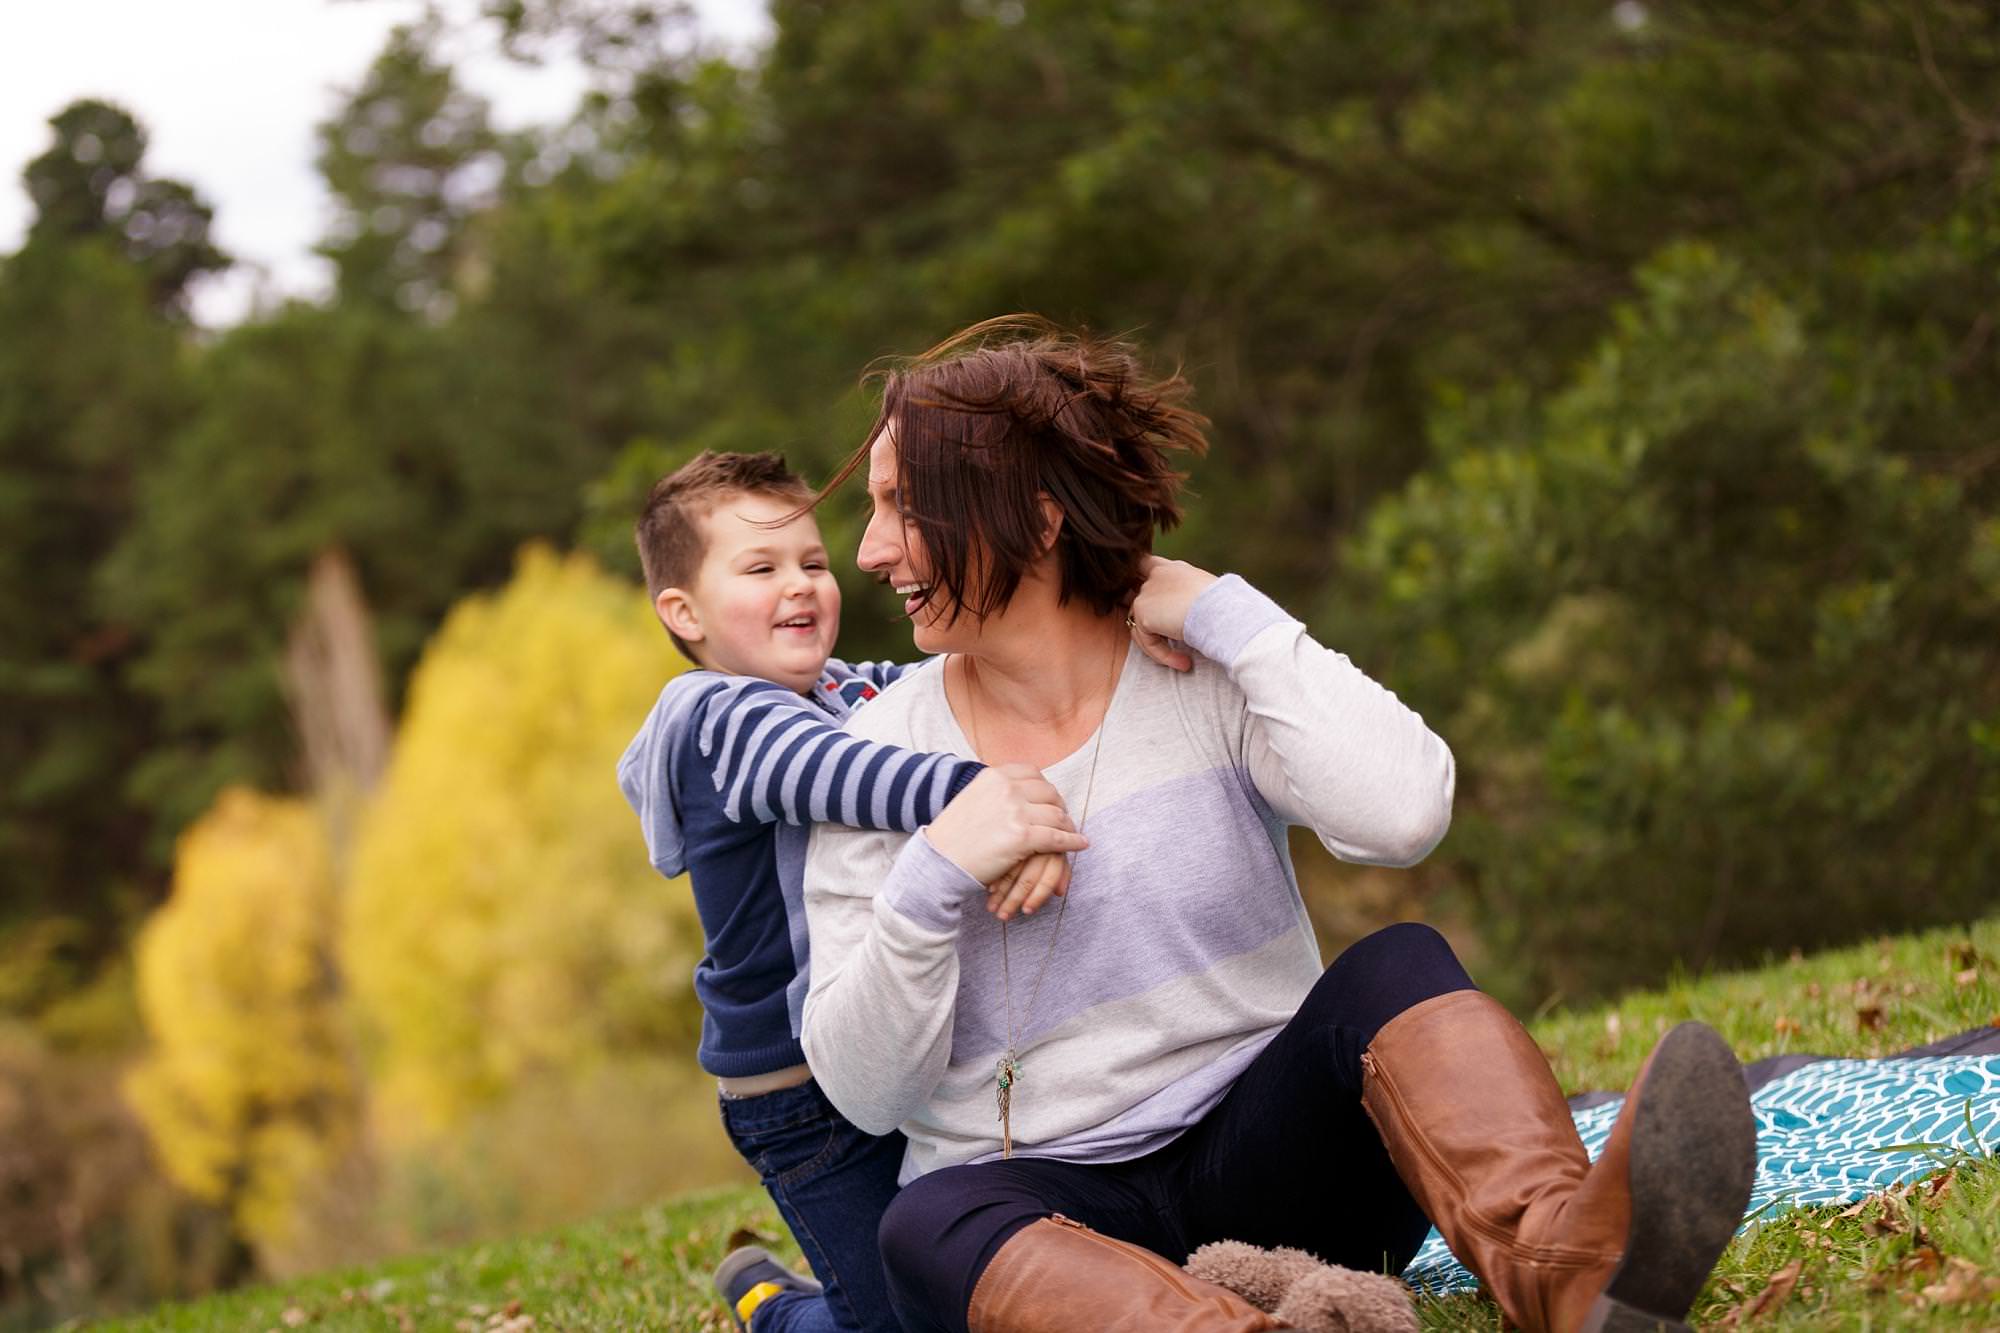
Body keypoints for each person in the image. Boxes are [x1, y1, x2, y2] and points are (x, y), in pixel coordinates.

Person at [796, 319, 1757, 1333]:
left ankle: (1568, 1272)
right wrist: (934, 871)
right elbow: (863, 1090)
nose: (866, 551)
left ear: (1034, 520)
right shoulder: (877, 755)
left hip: (1278, 1175)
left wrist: (1227, 614)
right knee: (926, 1221)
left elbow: (1402, 813)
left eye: (901, 506)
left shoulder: (1201, 672)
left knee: (1395, 962)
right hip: (1052, 1230)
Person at [616, 451, 1086, 1333]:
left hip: (887, 1042)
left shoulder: (838, 687)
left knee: (961, 1282)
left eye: (812, 563)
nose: (799, 585)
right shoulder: (722, 716)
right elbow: (842, 771)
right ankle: (774, 1309)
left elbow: (947, 687)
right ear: (683, 611)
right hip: (797, 1094)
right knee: (901, 1323)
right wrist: (992, 803)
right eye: (760, 569)